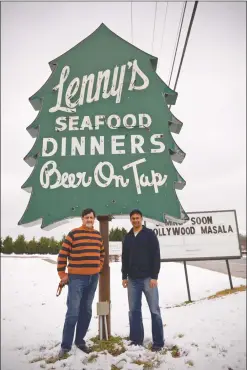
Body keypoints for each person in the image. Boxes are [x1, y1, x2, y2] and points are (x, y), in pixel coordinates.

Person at [57, 208, 105, 357]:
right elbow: (62, 254)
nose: (89, 220)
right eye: (86, 217)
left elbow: (102, 253)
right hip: (76, 279)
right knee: (73, 312)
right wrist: (62, 273)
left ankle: (80, 341)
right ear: (82, 219)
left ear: (94, 219)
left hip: (93, 278)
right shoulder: (73, 234)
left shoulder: (98, 236)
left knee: (87, 311)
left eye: (91, 217)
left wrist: (99, 266)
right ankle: (65, 346)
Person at [121, 209, 164, 351]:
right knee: (134, 311)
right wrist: (124, 276)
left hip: (148, 279)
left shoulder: (149, 234)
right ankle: (136, 340)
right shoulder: (127, 237)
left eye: (137, 218)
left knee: (154, 311)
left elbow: (156, 255)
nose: (135, 220)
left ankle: (158, 342)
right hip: (132, 280)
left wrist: (154, 276)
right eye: (133, 218)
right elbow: (124, 258)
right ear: (130, 220)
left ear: (141, 218)